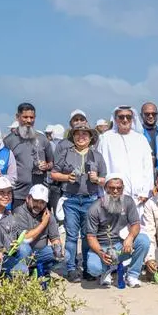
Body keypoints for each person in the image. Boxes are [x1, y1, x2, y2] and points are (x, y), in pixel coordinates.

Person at [51, 121, 107, 282]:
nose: (81, 137)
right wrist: (66, 177)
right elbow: (54, 174)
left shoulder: (97, 155)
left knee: (88, 235)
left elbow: (106, 179)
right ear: (73, 137)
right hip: (71, 200)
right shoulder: (66, 153)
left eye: (85, 134)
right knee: (71, 236)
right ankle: (71, 268)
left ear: (90, 138)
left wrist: (97, 179)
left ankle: (88, 267)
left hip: (91, 200)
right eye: (77, 134)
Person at [85, 175, 150, 287]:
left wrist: (130, 238)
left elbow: (136, 224)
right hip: (102, 247)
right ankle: (106, 271)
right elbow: (91, 237)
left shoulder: (128, 201)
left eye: (119, 188)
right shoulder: (94, 208)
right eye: (111, 188)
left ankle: (132, 275)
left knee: (143, 241)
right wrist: (101, 253)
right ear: (105, 188)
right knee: (93, 269)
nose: (115, 191)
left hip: (121, 244)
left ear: (123, 188)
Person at [96, 106, 154, 216]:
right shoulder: (106, 138)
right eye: (121, 117)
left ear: (133, 119)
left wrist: (146, 191)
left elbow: (148, 167)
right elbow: (101, 167)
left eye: (128, 117)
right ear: (115, 119)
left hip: (139, 197)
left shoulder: (141, 139)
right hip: (114, 194)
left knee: (139, 228)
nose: (125, 120)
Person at [4, 102, 54, 210]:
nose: (29, 120)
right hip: (17, 194)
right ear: (17, 117)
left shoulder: (42, 139)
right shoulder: (9, 141)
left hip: (39, 194)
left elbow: (52, 163)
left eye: (31, 117)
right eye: (25, 117)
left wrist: (46, 166)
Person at [10, 184, 63, 285]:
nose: (39, 205)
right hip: (21, 253)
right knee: (25, 248)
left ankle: (42, 270)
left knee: (66, 254)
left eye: (42, 202)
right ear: (28, 198)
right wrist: (43, 223)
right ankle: (21, 276)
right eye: (35, 201)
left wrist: (58, 248)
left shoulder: (48, 215)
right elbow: (25, 238)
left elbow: (55, 237)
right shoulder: (19, 212)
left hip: (40, 253)